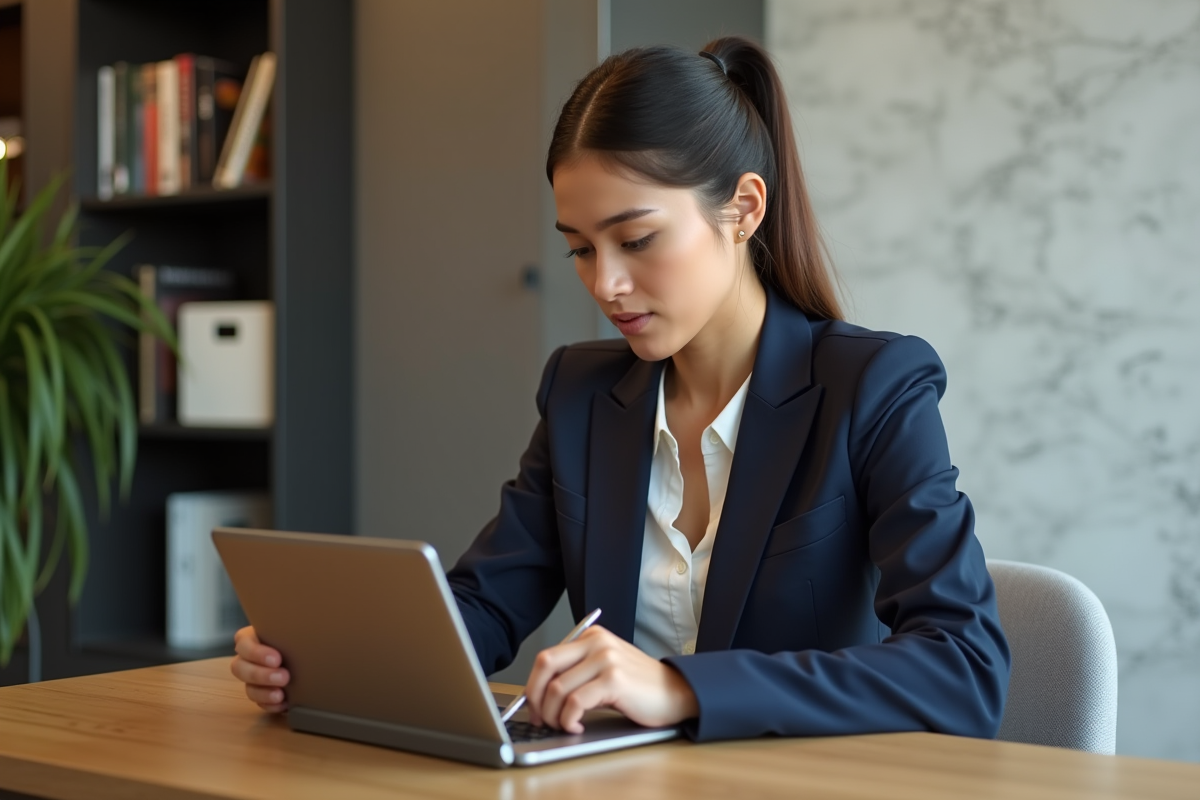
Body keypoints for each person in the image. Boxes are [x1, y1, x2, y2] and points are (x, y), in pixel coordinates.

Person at [231, 36, 1010, 742]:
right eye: (579, 249)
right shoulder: (581, 394)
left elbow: (963, 668)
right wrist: (325, 658)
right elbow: (486, 606)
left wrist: (681, 687)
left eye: (637, 241)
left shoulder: (872, 386)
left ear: (742, 209)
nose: (606, 284)